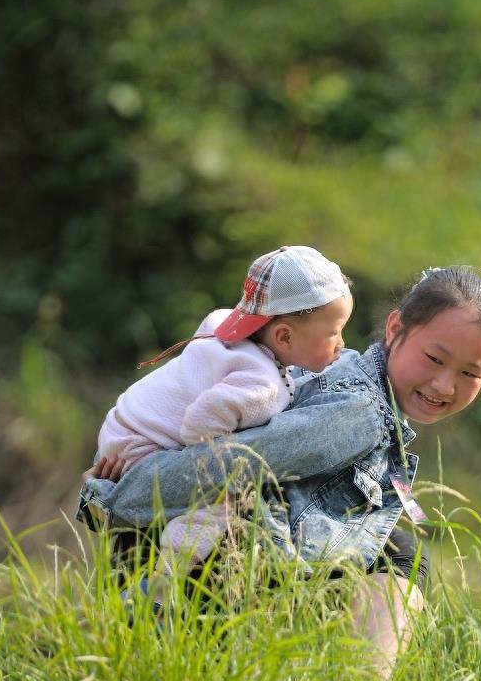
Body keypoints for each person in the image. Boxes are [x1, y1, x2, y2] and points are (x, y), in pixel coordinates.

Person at [80, 266, 481, 678]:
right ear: (394, 329)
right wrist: (117, 496)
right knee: (402, 556)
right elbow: (237, 463)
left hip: (198, 552)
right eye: (434, 358)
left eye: (470, 373)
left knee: (397, 548)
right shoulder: (360, 413)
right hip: (184, 563)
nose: (445, 385)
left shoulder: (343, 371)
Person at [94, 244, 352, 590]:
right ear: (284, 336)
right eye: (333, 333)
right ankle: (164, 579)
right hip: (142, 445)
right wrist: (224, 471)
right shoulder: (261, 386)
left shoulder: (223, 329)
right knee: (221, 501)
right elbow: (200, 424)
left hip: (123, 424)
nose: (341, 343)